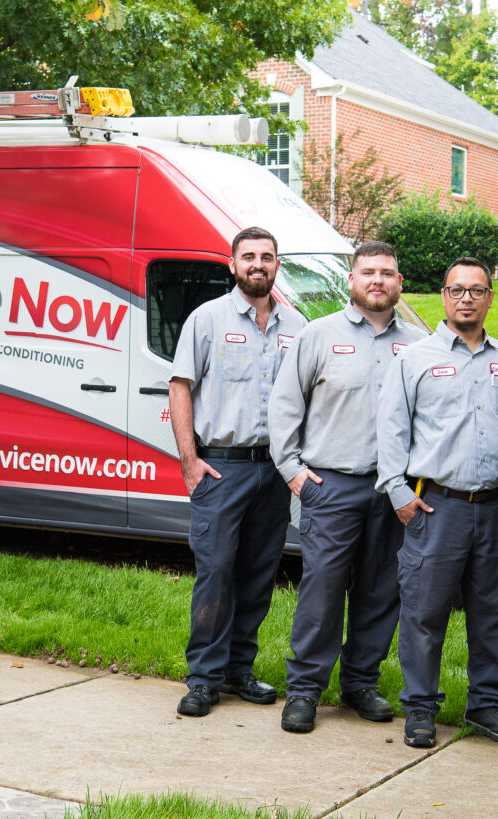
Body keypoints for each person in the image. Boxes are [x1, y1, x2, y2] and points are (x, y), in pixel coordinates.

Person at [268, 241, 427, 734]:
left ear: (400, 282)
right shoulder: (319, 336)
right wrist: (293, 472)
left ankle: (361, 683)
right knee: (322, 591)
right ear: (351, 280)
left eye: (387, 272)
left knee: (382, 593)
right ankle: (304, 691)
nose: (378, 280)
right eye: (368, 272)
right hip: (332, 486)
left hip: (393, 493)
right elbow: (284, 406)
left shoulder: (418, 345)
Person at [377, 256, 498, 749]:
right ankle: (420, 706)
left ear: (490, 298)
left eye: (477, 290)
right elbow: (391, 430)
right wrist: (399, 493)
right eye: (457, 290)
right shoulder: (414, 359)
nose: (467, 298)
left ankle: (488, 706)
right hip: (436, 509)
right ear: (443, 297)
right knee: (424, 611)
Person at [169, 226, 306, 717]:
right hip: (221, 469)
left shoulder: (297, 328)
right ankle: (204, 678)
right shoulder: (206, 319)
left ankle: (238, 669)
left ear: (276, 266)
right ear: (232, 264)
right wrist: (190, 460)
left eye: (267, 257)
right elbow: (180, 386)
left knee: (257, 573)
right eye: (248, 257)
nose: (258, 265)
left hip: (274, 470)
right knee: (216, 572)